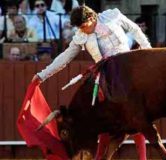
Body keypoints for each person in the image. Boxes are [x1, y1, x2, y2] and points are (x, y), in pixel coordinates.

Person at [31, 5, 151, 160]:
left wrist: (148, 51)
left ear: (92, 18)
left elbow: (134, 29)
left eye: (83, 26)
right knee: (104, 119)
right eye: (79, 28)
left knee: (136, 115)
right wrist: (42, 75)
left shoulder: (112, 16)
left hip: (129, 70)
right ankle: (100, 157)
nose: (82, 30)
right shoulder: (81, 36)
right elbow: (65, 57)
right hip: (108, 78)